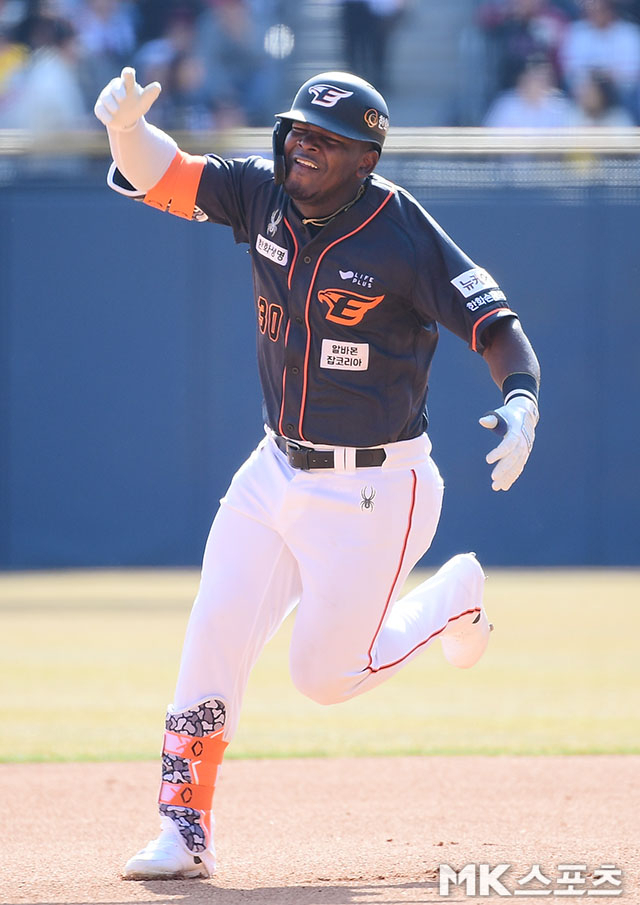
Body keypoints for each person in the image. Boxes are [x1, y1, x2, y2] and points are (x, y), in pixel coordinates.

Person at [94, 66, 541, 880]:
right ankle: (184, 827)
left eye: (327, 140)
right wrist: (127, 130)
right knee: (214, 628)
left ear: (366, 159)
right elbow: (164, 172)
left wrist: (521, 401)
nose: (304, 145)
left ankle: (455, 595)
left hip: (377, 487)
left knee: (325, 678)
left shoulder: (402, 233)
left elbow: (496, 324)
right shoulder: (261, 194)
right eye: (299, 129)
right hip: (274, 466)